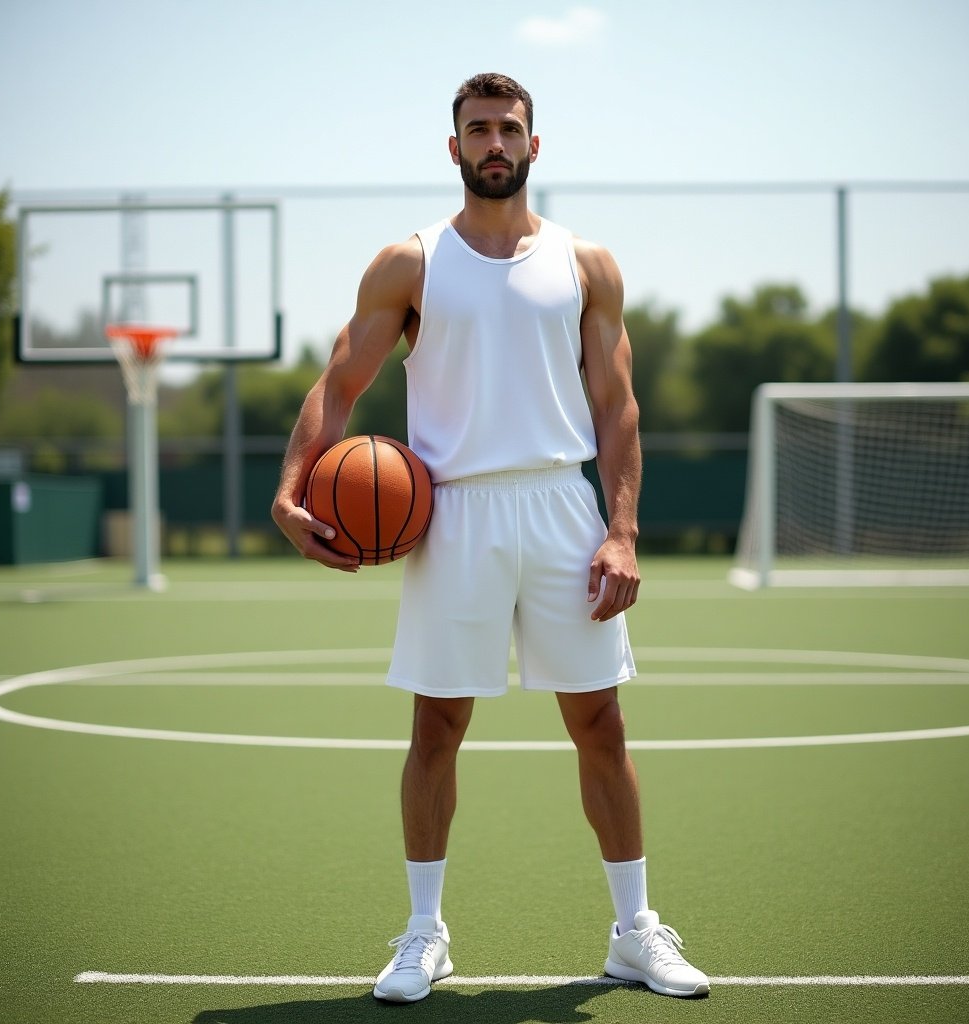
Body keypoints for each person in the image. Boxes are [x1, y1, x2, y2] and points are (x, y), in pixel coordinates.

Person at [271, 72, 710, 1003]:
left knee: (601, 722)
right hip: (452, 512)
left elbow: (617, 406)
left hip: (560, 504)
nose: (495, 142)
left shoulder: (586, 264)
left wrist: (622, 530)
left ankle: (635, 931)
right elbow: (339, 381)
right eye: (478, 130)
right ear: (455, 147)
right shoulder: (411, 262)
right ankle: (423, 935)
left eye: (510, 128)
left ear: (535, 146)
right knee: (437, 726)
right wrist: (290, 485)